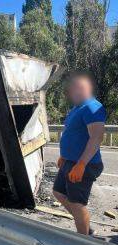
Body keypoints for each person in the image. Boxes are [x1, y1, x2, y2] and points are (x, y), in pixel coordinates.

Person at [53, 73, 106, 235]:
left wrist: (81, 164)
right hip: (70, 162)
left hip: (84, 164)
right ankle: (84, 224)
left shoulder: (93, 107)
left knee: (77, 203)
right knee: (59, 193)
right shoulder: (77, 108)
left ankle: (84, 243)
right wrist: (65, 156)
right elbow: (73, 133)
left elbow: (96, 137)